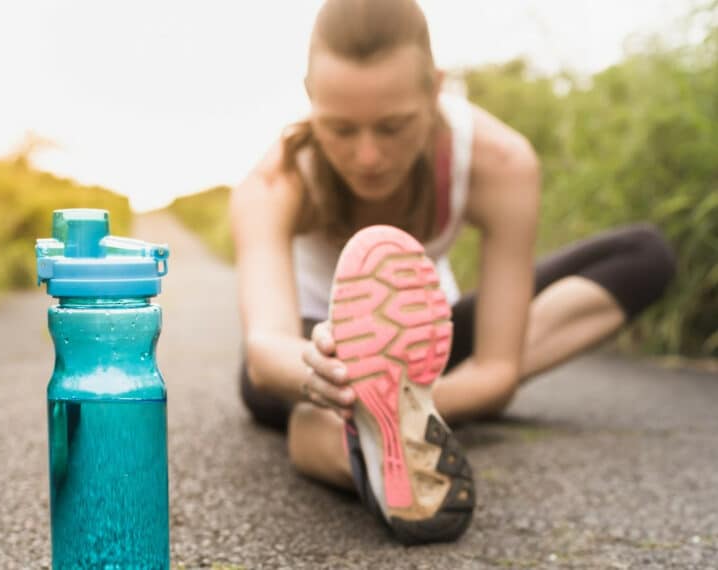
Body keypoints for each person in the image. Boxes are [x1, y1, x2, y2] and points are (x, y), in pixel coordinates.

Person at [229, 0, 676, 545]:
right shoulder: (272, 182)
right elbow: (264, 351)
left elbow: (495, 371)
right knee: (302, 403)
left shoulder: (500, 162)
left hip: (422, 354)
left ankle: (387, 430)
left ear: (435, 87)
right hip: (310, 358)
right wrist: (330, 381)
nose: (367, 155)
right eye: (341, 129)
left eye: (393, 127)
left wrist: (404, 395)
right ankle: (367, 453)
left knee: (644, 254)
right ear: (308, 96)